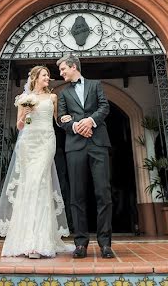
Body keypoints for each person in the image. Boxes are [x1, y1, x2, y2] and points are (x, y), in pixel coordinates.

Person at [0, 66, 74, 258]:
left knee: (39, 183)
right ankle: (27, 240)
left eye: (48, 75)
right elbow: (20, 125)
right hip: (28, 143)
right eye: (45, 75)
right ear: (36, 77)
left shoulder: (53, 98)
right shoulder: (23, 99)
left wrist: (70, 120)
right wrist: (26, 114)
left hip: (46, 141)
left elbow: (58, 121)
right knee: (29, 187)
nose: (49, 77)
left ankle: (40, 240)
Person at [56, 54, 114, 259]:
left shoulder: (95, 84)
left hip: (98, 144)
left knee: (103, 193)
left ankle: (105, 244)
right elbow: (61, 119)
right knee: (77, 195)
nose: (61, 73)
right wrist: (77, 127)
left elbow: (104, 107)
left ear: (73, 67)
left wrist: (90, 121)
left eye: (63, 69)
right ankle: (80, 243)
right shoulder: (63, 93)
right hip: (75, 147)